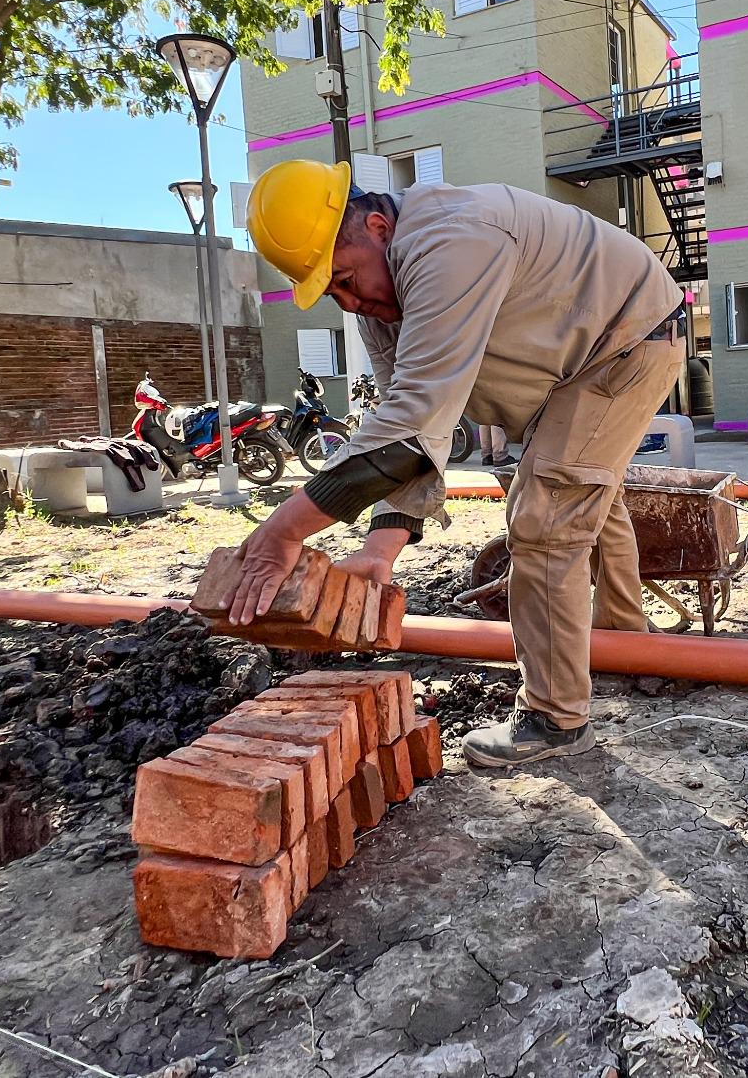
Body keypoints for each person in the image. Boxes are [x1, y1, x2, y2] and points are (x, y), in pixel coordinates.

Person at [225, 159, 685, 768]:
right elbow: (406, 420)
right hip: (583, 352)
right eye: (333, 293)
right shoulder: (381, 296)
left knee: (546, 517)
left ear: (377, 228)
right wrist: (380, 549)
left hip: (627, 338)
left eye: (346, 279)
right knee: (583, 491)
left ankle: (556, 720)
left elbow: (409, 431)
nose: (351, 301)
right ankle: (625, 644)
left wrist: (283, 531)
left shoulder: (449, 241)